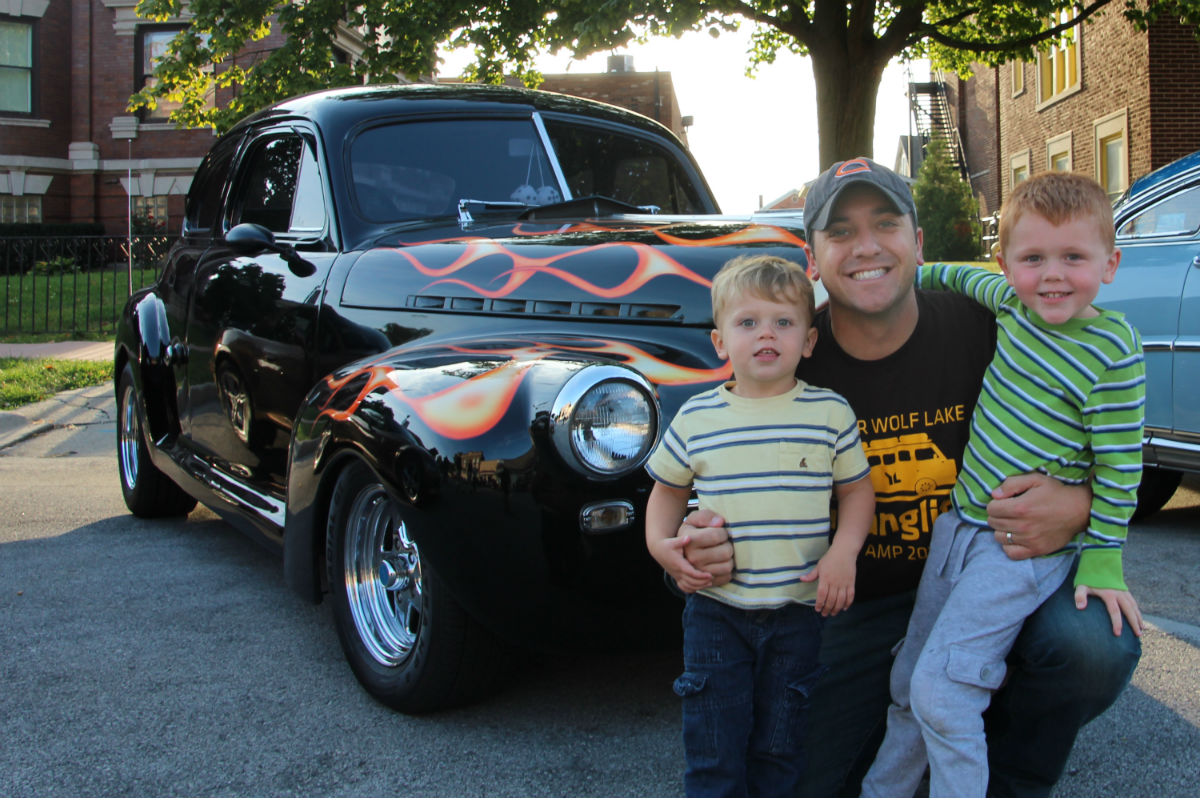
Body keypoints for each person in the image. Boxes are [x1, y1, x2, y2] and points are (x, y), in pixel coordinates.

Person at [678, 157, 1143, 797]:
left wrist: (1081, 505)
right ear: (812, 259)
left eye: (886, 224)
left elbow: (1109, 439)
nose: (866, 246)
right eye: (839, 231)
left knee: (1092, 645)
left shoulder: (997, 324)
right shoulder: (786, 352)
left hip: (996, 563)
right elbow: (718, 463)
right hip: (853, 604)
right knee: (792, 776)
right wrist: (696, 543)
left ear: (918, 243)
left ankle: (1004, 778)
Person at [859, 172, 1145, 797]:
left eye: (1074, 257)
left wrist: (1103, 557)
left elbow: (1123, 465)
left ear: (1110, 263)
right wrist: (911, 276)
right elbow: (956, 276)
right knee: (910, 682)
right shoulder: (1012, 305)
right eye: (1033, 258)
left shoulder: (1111, 349)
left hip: (1017, 551)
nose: (1053, 276)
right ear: (1007, 263)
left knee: (944, 689)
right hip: (956, 531)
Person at [644, 254, 876, 797]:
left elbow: (856, 491)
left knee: (781, 748)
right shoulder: (699, 418)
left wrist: (844, 553)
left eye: (784, 322)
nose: (766, 334)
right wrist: (661, 547)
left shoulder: (828, 413)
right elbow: (667, 492)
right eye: (747, 323)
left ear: (809, 341)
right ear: (720, 341)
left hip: (800, 611)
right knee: (714, 750)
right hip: (717, 612)